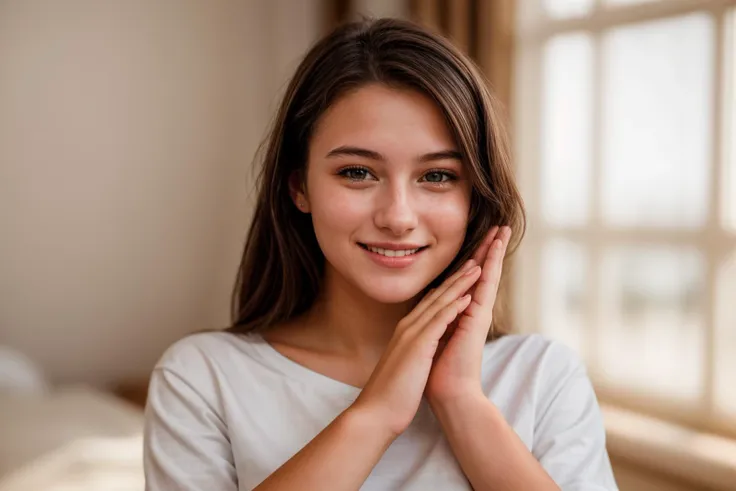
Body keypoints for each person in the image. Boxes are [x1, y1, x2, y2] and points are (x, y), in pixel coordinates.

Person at [143, 17, 618, 491]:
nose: (397, 216)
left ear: (475, 196)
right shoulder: (201, 378)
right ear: (299, 186)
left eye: (436, 176)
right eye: (357, 172)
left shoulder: (541, 376)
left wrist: (461, 401)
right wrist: (375, 415)